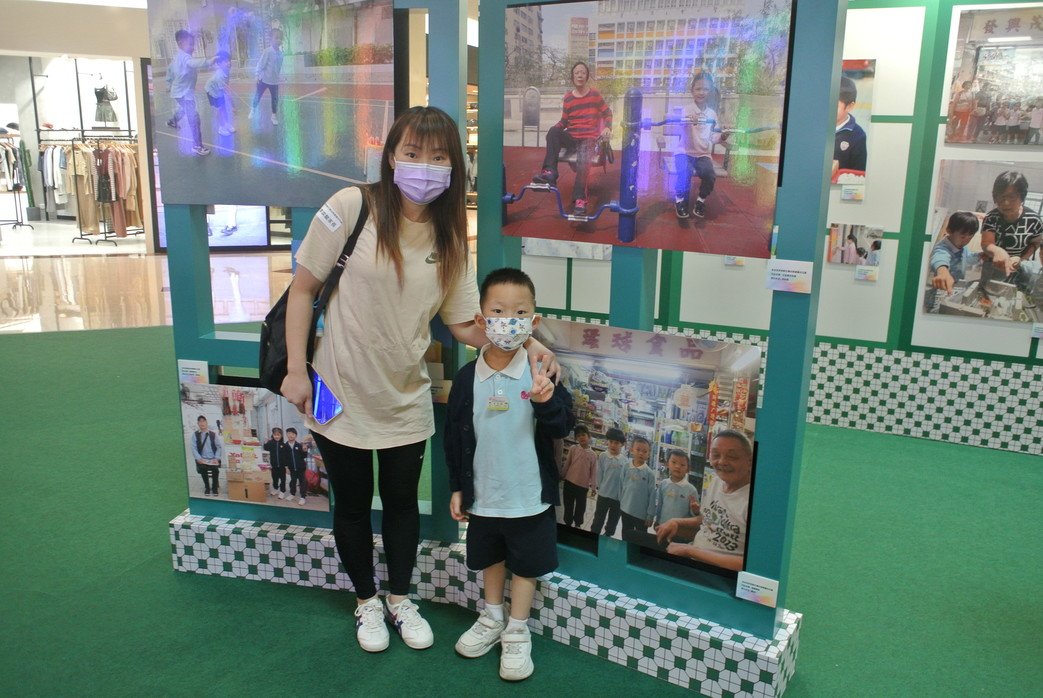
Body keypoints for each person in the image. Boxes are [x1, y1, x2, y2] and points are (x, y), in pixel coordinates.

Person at [281, 106, 558, 654]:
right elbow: (303, 289)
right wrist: (295, 369)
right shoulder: (350, 207)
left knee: (402, 503)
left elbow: (463, 325)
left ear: (454, 166)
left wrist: (524, 340)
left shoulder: (450, 238)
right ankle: (366, 601)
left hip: (405, 394)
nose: (424, 166)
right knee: (352, 503)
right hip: (336, 388)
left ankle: (400, 598)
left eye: (437, 157)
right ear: (391, 155)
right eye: (412, 152)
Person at [445, 267, 574, 682]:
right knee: (491, 559)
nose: (508, 321)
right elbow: (454, 437)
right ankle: (492, 617)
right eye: (498, 311)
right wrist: (458, 487)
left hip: (529, 496)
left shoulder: (542, 370)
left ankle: (517, 630)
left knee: (526, 565)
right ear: (481, 319)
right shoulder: (467, 378)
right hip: (485, 495)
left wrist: (546, 401)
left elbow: (563, 425)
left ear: (533, 321)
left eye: (519, 313)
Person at [657, 430, 753, 572]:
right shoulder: (716, 481)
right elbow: (705, 519)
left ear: (750, 461)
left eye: (732, 456)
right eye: (716, 455)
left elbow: (751, 565)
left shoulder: (754, 502)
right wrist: (676, 522)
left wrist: (690, 551)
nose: (722, 462)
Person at [531, 61, 612, 216]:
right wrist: (554, 131)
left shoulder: (594, 94)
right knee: (553, 132)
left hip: (588, 138)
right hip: (572, 137)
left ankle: (580, 200)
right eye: (577, 73)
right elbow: (564, 121)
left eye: (583, 72)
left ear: (587, 76)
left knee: (583, 160)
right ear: (572, 77)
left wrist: (607, 127)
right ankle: (550, 173)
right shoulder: (568, 98)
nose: (580, 75)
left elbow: (607, 113)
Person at [980, 171, 1042, 297]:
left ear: (1022, 196)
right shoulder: (991, 217)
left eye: (1012, 197)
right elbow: (986, 242)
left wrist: (1022, 259)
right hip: (993, 268)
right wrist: (997, 251)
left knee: (1014, 300)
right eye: (1001, 197)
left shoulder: (1034, 220)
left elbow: (1034, 243)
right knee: (987, 299)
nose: (1005, 203)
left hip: (1019, 270)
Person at [673, 70, 725, 220]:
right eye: (698, 89)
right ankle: (679, 200)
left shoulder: (712, 114)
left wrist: (723, 135)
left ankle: (700, 201)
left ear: (710, 91)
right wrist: (689, 122)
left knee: (709, 175)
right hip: (684, 152)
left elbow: (714, 138)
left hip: (702, 154)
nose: (701, 92)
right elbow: (680, 129)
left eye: (705, 89)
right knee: (685, 171)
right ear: (692, 91)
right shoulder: (686, 109)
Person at [165, 29, 214, 156]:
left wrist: (169, 83)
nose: (193, 47)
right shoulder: (185, 57)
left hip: (180, 93)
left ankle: (172, 120)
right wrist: (209, 62)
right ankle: (197, 146)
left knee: (184, 110)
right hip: (184, 94)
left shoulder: (177, 57)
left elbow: (170, 70)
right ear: (180, 43)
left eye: (193, 44)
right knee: (194, 118)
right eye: (190, 44)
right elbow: (192, 63)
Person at [928, 211, 980, 300]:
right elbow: (940, 257)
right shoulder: (942, 247)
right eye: (963, 237)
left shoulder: (963, 247)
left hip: (957, 288)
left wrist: (979, 256)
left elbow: (968, 258)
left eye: (970, 237)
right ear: (949, 230)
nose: (966, 241)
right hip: (942, 290)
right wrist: (943, 272)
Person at [589, 427, 627, 536]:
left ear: (622, 444)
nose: (613, 445)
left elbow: (624, 480)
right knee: (598, 519)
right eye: (611, 442)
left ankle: (608, 536)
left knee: (612, 522)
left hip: (618, 498)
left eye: (616, 443)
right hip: (603, 495)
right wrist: (600, 487)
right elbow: (599, 474)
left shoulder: (625, 461)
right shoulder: (603, 456)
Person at [653, 450, 700, 540]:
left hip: (680, 532)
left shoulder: (691, 490)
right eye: (674, 462)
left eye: (682, 465)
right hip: (663, 527)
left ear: (688, 469)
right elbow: (660, 505)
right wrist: (657, 521)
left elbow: (695, 516)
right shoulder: (663, 484)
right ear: (667, 464)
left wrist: (696, 511)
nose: (677, 466)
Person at [560, 425, 596, 528]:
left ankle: (578, 524)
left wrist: (593, 487)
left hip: (583, 486)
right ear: (576, 438)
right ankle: (567, 522)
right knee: (568, 505)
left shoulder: (593, 455)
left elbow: (593, 472)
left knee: (581, 507)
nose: (581, 437)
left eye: (583, 434)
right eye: (578, 436)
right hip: (569, 483)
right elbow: (567, 463)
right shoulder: (573, 448)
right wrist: (562, 475)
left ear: (589, 436)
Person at [618, 436, 656, 533]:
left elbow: (652, 495)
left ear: (649, 454)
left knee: (641, 535)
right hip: (626, 509)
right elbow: (621, 485)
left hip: (641, 514)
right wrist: (620, 502)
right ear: (631, 450)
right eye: (638, 450)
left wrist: (650, 514)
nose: (641, 453)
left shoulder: (650, 474)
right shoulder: (626, 467)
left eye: (645, 451)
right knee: (626, 533)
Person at [833, 76, 867, 181]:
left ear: (850, 106)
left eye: (835, 106)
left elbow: (858, 175)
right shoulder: (815, 126)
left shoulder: (858, 136)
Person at [250, 28, 283, 126]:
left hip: (274, 81)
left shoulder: (281, 54)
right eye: (276, 38)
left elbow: (278, 68)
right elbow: (260, 64)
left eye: (280, 38)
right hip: (264, 80)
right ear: (271, 39)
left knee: (275, 99)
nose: (279, 40)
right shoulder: (267, 51)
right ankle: (253, 110)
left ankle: (273, 116)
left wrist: (278, 77)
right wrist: (257, 75)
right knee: (258, 95)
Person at [189, 415, 222, 496]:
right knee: (203, 470)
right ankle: (207, 487)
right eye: (200, 421)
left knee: (216, 470)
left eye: (203, 421)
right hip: (202, 459)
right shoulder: (195, 435)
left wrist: (217, 458)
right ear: (198, 423)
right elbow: (193, 447)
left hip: (213, 459)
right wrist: (198, 458)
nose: (202, 423)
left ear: (206, 422)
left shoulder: (213, 434)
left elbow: (219, 447)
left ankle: (214, 488)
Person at [205, 51, 235, 137]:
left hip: (218, 89)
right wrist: (233, 106)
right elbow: (226, 92)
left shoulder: (226, 71)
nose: (228, 63)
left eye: (229, 60)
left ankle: (226, 124)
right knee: (220, 109)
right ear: (219, 63)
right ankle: (221, 128)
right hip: (212, 91)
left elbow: (226, 84)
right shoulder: (219, 76)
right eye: (225, 61)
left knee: (223, 107)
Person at [263, 427, 290, 499]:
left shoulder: (284, 445)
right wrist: (265, 442)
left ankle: (282, 491)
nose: (277, 436)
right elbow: (266, 448)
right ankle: (275, 488)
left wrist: (286, 466)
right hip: (273, 465)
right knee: (274, 478)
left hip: (282, 466)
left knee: (283, 479)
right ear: (273, 435)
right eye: (275, 435)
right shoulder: (270, 443)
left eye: (278, 435)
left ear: (281, 435)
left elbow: (286, 456)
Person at [285, 427, 309, 506]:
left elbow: (304, 456)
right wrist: (286, 467)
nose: (291, 435)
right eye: (289, 433)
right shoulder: (285, 446)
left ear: (296, 435)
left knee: (302, 482)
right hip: (292, 468)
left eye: (293, 434)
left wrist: (305, 450)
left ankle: (303, 497)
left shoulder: (299, 445)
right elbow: (285, 458)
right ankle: (292, 494)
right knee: (293, 481)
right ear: (286, 435)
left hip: (301, 468)